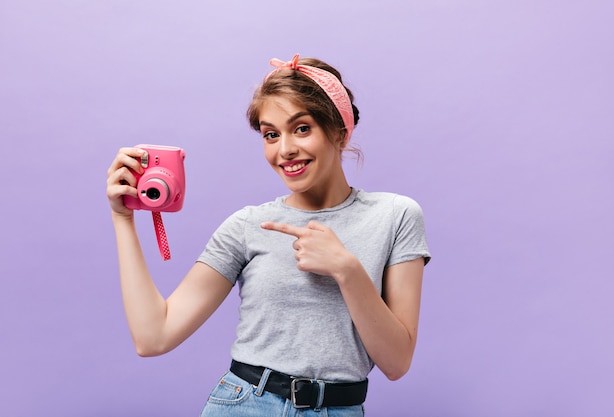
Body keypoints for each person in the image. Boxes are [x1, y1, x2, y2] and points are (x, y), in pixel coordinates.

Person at [106, 53, 431, 416]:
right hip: (244, 405)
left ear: (339, 130)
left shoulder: (396, 215)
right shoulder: (248, 225)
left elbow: (397, 362)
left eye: (302, 128)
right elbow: (154, 336)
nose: (285, 150)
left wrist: (347, 270)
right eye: (271, 134)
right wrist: (123, 219)